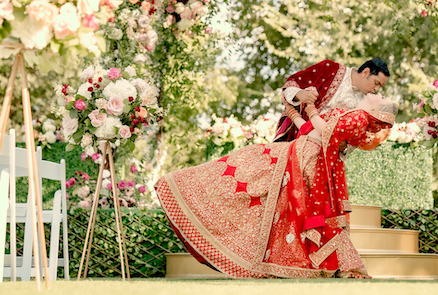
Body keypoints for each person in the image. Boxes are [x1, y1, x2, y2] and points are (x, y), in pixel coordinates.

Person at [155, 93, 397, 279]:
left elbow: (325, 133)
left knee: (245, 168)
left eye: (383, 96)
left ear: (378, 109)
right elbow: (312, 131)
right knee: (248, 170)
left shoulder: (360, 116)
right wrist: (294, 115)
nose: (379, 91)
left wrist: (311, 110)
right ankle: (184, 188)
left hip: (305, 157)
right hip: (301, 151)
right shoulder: (354, 113)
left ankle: (182, 185)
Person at [274, 57, 390, 142]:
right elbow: (292, 83)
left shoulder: (365, 103)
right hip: (294, 138)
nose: (376, 89)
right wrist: (300, 94)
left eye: (380, 86)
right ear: (365, 72)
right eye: (376, 83)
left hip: (325, 155)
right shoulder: (329, 69)